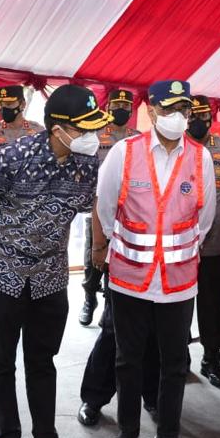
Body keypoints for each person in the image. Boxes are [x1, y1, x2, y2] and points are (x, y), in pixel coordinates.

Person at [0, 85, 109, 438]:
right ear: (57, 128)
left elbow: (94, 205)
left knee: (42, 359)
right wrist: (11, 244)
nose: (91, 136)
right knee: (1, 360)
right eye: (83, 128)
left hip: (50, 276)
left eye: (93, 128)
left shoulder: (87, 164)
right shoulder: (9, 157)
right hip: (3, 274)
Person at [98, 79, 216, 438]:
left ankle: (168, 436)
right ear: (151, 110)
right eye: (168, 109)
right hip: (129, 278)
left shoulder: (200, 158)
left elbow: (204, 220)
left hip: (178, 282)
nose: (177, 117)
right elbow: (105, 209)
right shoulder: (124, 152)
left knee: (175, 363)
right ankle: (127, 432)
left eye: (183, 109)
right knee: (127, 360)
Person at [80, 88, 139, 326]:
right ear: (108, 107)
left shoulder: (137, 137)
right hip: (98, 206)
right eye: (116, 106)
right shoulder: (95, 135)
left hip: (128, 209)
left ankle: (110, 304)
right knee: (93, 257)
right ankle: (89, 297)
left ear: (131, 110)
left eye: (125, 107)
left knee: (120, 258)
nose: (121, 110)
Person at [187, 95, 220, 388]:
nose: (197, 122)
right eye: (191, 116)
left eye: (203, 116)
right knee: (176, 306)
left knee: (212, 305)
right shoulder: (176, 147)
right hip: (179, 245)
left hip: (214, 245)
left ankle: (210, 358)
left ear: (211, 118)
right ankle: (178, 357)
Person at [0, 84, 44, 169]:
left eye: (9, 104)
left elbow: (47, 162)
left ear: (22, 104)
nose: (3, 109)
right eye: (0, 104)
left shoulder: (38, 131)